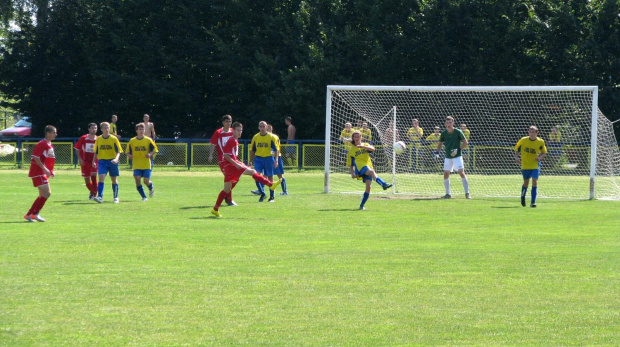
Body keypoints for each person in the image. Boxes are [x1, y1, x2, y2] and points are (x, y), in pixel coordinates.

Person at [211, 122, 282, 217]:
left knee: (226, 189)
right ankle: (270, 184)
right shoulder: (231, 140)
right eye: (238, 130)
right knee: (252, 172)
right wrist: (236, 164)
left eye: (241, 130)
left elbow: (232, 156)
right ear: (233, 130)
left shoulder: (235, 140)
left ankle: (215, 209)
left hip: (230, 166)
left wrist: (239, 163)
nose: (240, 132)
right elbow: (226, 155)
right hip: (231, 167)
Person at [347, 130, 393, 210]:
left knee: (368, 187)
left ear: (361, 137)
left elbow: (373, 149)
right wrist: (352, 173)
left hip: (368, 165)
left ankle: (361, 206)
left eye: (358, 136)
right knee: (371, 172)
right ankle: (383, 184)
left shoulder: (365, 145)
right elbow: (350, 163)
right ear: (353, 138)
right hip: (360, 166)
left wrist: (363, 147)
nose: (357, 138)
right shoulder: (352, 149)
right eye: (355, 137)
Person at [24, 125, 57, 222]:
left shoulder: (49, 144)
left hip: (41, 172)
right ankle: (34, 213)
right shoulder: (42, 143)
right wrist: (45, 169)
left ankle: (31, 214)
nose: (56, 134)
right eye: (54, 132)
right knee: (47, 192)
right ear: (48, 133)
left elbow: (48, 160)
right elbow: (35, 157)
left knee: (42, 194)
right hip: (38, 172)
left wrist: (50, 170)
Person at [436, 116, 470, 199]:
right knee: (446, 174)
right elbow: (440, 143)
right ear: (445, 124)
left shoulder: (458, 132)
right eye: (447, 123)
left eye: (450, 123)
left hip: (457, 156)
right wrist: (437, 152)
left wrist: (458, 150)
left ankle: (467, 193)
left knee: (461, 172)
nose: (448, 124)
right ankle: (448, 194)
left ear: (453, 123)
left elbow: (465, 143)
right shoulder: (444, 133)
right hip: (448, 157)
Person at [515, 126, 547, 208]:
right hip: (525, 164)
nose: (531, 134)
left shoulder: (540, 142)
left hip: (535, 165)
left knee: (535, 182)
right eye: (530, 132)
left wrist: (539, 158)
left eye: (533, 132)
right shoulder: (523, 140)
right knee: (526, 182)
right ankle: (522, 197)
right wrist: (517, 157)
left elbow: (544, 152)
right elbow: (516, 149)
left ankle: (533, 202)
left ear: (537, 133)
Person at [126, 122, 158, 201]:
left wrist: (150, 154)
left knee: (146, 181)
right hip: (137, 164)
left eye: (143, 129)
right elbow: (127, 152)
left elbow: (155, 149)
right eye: (140, 129)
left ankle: (151, 187)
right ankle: (144, 197)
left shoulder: (148, 140)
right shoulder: (132, 141)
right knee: (137, 180)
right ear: (136, 131)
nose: (141, 131)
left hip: (146, 164)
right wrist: (129, 155)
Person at [209, 115, 236, 206]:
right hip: (222, 159)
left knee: (234, 178)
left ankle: (225, 194)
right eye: (227, 121)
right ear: (223, 122)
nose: (229, 123)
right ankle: (229, 200)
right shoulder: (218, 132)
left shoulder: (233, 131)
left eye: (230, 121)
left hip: (231, 158)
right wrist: (210, 155)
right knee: (229, 177)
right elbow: (213, 144)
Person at [92, 122, 123, 203]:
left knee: (114, 179)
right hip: (102, 161)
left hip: (112, 161)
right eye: (104, 127)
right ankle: (100, 197)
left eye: (108, 127)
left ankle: (115, 197)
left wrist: (116, 159)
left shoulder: (113, 139)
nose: (106, 129)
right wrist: (93, 161)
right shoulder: (98, 139)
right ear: (101, 129)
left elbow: (119, 151)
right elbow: (96, 151)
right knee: (101, 177)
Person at [249, 121, 279, 202]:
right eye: (260, 126)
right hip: (258, 159)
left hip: (268, 158)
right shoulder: (255, 137)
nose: (262, 128)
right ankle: (262, 193)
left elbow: (276, 150)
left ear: (266, 127)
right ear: (258, 127)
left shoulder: (271, 137)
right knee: (256, 175)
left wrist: (276, 160)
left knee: (270, 177)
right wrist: (250, 161)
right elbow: (252, 150)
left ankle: (272, 197)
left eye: (263, 126)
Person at [74, 123, 99, 200]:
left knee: (94, 177)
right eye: (92, 128)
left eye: (95, 128)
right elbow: (77, 148)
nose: (94, 129)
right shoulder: (84, 138)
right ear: (89, 129)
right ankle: (93, 192)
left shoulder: (98, 139)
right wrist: (80, 159)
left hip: (94, 161)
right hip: (85, 162)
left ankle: (95, 196)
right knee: (87, 181)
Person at [267, 124, 288, 195]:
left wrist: (276, 159)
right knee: (266, 174)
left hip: (276, 157)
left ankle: (285, 191)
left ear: (271, 129)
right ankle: (260, 189)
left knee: (279, 175)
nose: (266, 131)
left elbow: (277, 148)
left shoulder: (274, 137)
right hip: (268, 157)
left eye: (268, 129)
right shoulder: (265, 137)